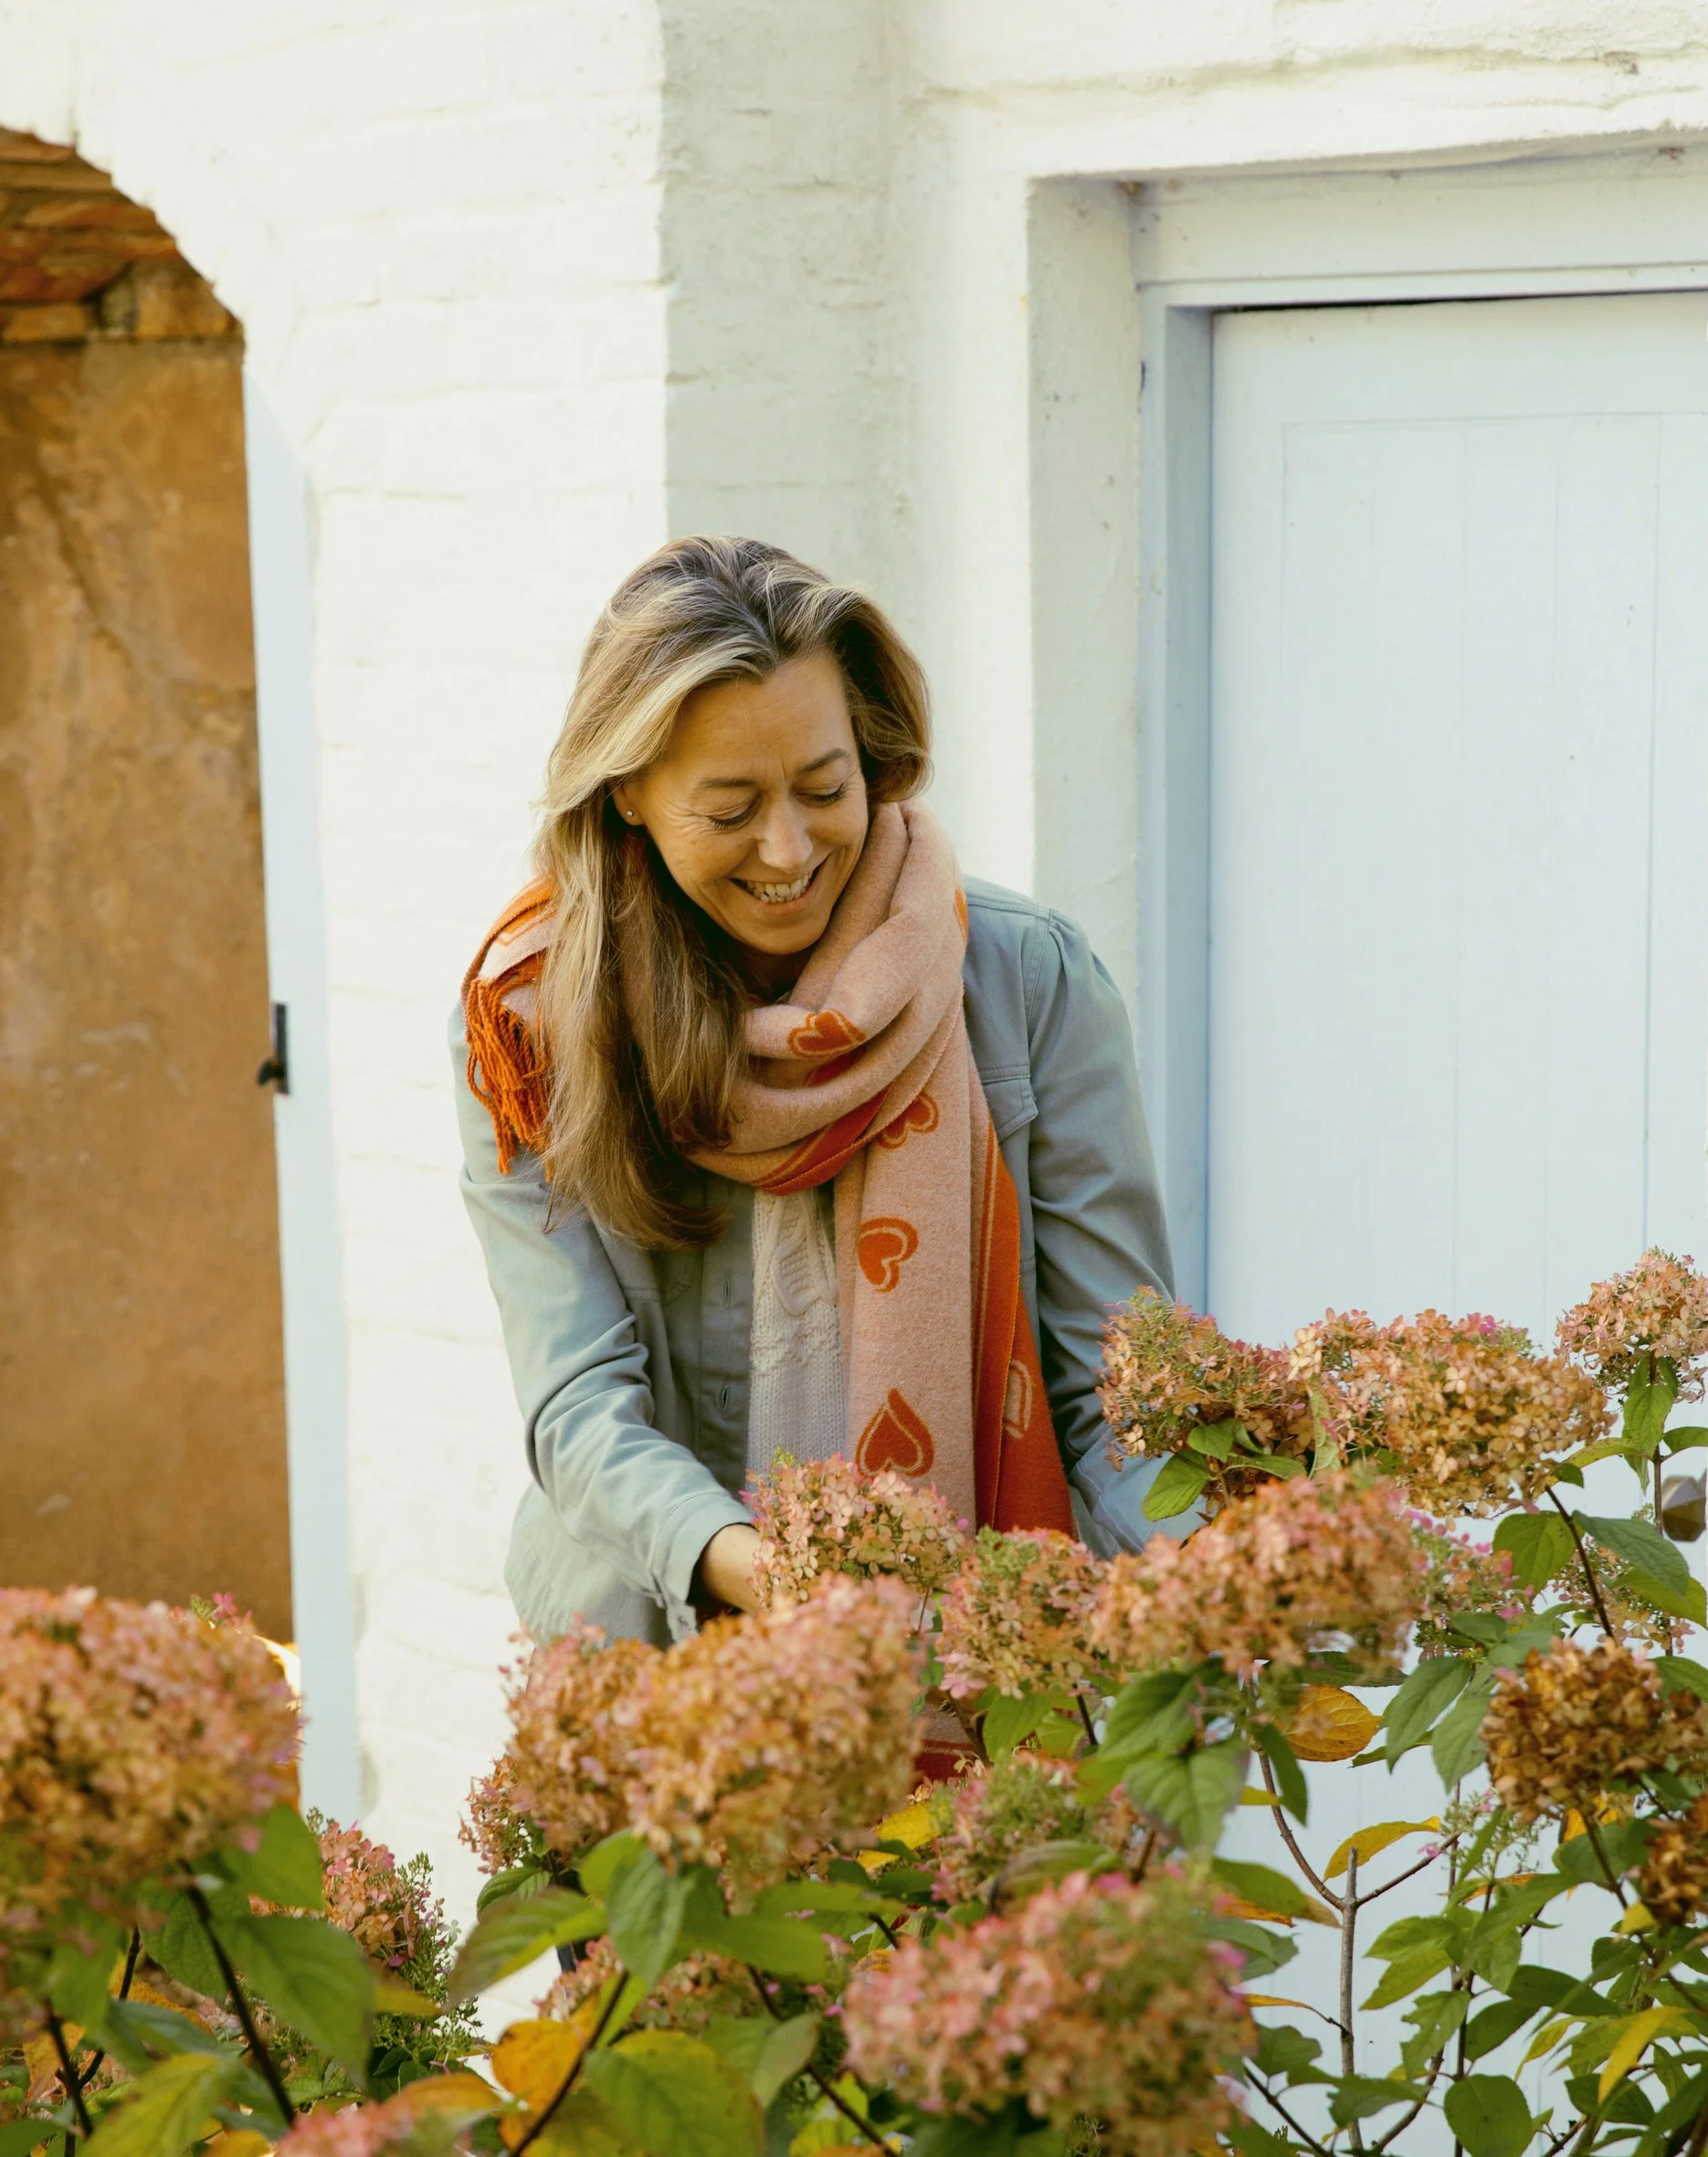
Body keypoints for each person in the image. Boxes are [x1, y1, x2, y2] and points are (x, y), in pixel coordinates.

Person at [454, 535, 1174, 1646]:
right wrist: (776, 1577)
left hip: (977, 1655)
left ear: (868, 756)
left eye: (822, 788)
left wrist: (1201, 1612)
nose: (787, 848)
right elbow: (578, 1410)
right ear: (629, 794)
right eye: (730, 808)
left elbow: (1120, 1388)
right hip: (656, 1647)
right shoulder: (530, 1023)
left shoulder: (1028, 981)